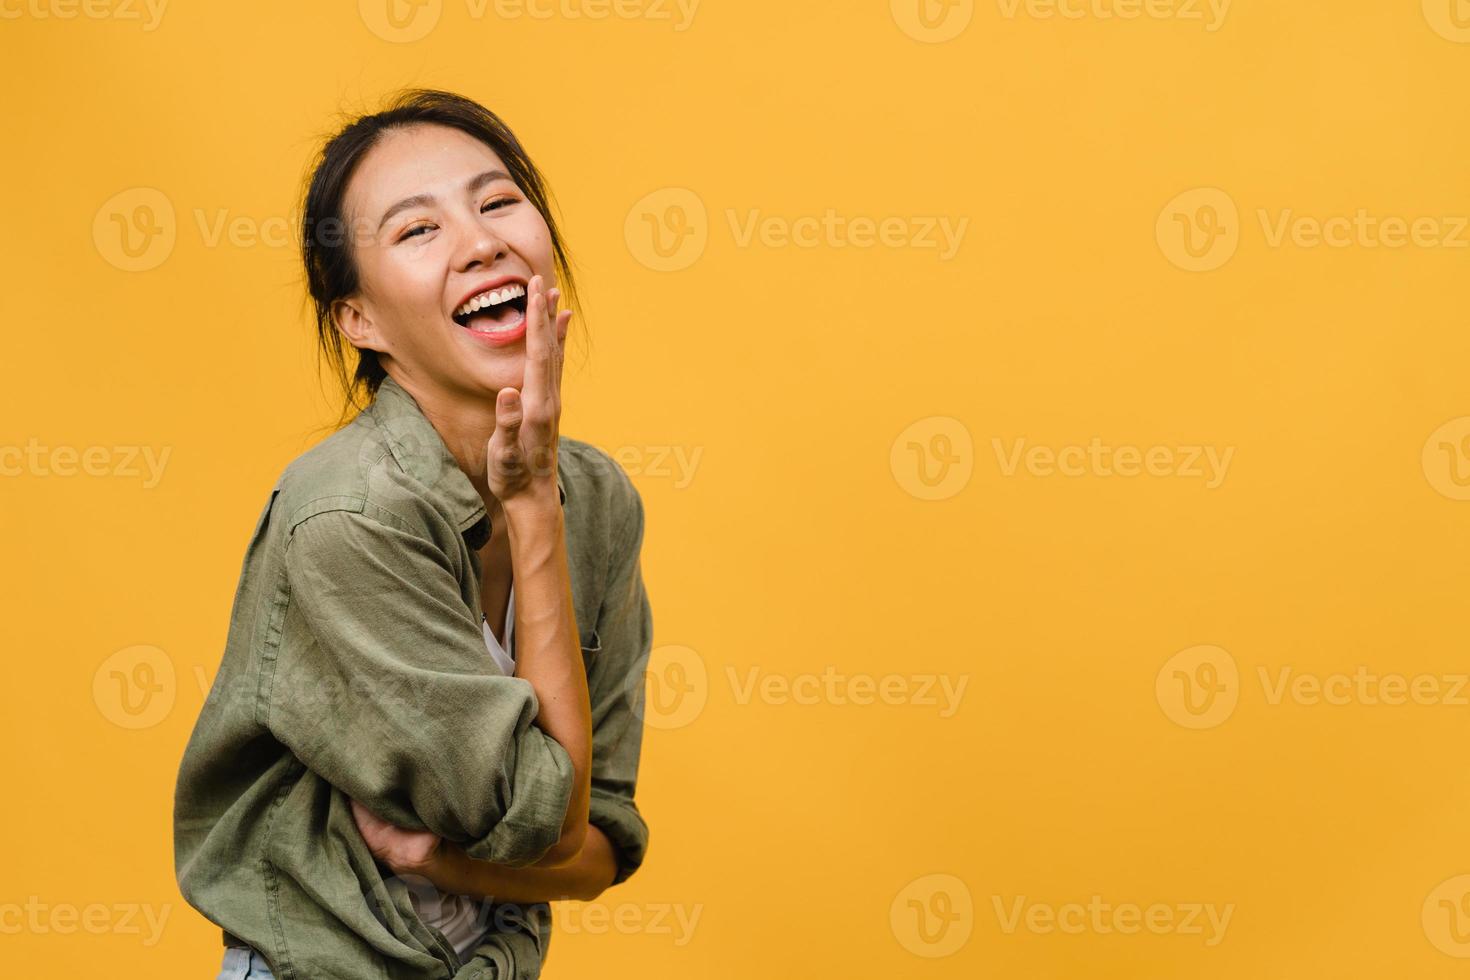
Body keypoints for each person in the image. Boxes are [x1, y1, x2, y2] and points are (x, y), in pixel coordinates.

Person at [173, 89, 653, 980]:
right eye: (416, 230)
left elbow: (603, 846)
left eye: (498, 200)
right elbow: (543, 819)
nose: (480, 242)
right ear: (360, 321)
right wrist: (533, 506)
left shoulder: (599, 500)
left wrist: (445, 861)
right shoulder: (349, 516)